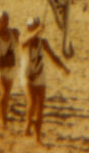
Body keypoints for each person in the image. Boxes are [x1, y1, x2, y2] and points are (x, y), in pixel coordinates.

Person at [20, 16, 70, 144]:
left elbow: (53, 56)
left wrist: (63, 67)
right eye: (31, 27)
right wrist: (37, 31)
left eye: (35, 26)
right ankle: (28, 123)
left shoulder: (43, 42)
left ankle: (37, 136)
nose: (32, 29)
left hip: (39, 74)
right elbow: (23, 42)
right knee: (31, 102)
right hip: (26, 74)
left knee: (40, 106)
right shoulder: (24, 38)